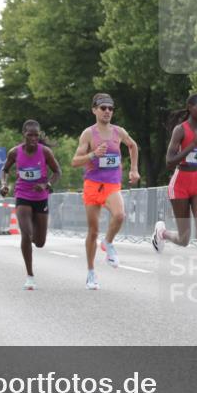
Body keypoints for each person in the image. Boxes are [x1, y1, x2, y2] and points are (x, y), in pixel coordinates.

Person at [151, 93, 197, 302]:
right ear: (190, 108)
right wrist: (192, 145)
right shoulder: (180, 130)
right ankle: (162, 233)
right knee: (184, 239)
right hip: (180, 183)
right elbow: (169, 162)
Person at [71, 93, 140, 290]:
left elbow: (133, 146)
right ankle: (91, 272)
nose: (107, 111)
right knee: (93, 231)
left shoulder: (119, 132)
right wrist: (93, 154)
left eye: (110, 108)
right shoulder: (88, 134)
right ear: (94, 110)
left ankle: (108, 243)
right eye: (103, 108)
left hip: (111, 184)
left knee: (119, 215)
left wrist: (134, 169)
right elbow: (75, 161)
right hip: (93, 185)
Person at [0, 120, 62, 290]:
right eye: (30, 135)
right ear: (24, 135)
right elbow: (4, 169)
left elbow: (57, 172)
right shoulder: (15, 152)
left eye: (36, 135)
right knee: (26, 234)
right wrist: (4, 184)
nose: (34, 138)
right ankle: (30, 275)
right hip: (22, 194)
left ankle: (34, 231)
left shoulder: (45, 152)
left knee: (40, 242)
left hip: (40, 196)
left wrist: (46, 185)